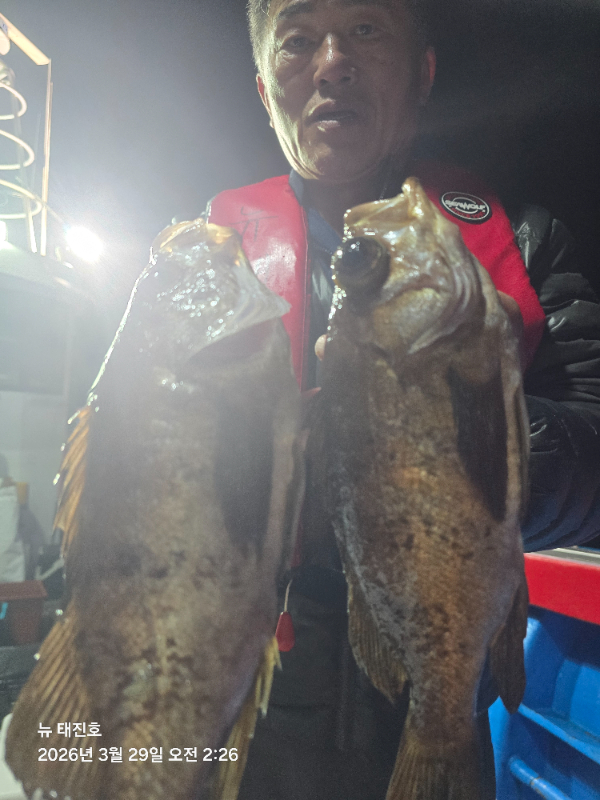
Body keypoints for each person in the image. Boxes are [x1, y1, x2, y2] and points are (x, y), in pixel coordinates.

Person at [205, 1, 600, 797]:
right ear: (265, 88)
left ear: (423, 73)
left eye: (365, 30)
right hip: (246, 702)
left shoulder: (522, 242)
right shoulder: (205, 265)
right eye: (298, 39)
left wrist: (471, 432)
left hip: (443, 671)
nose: (331, 63)